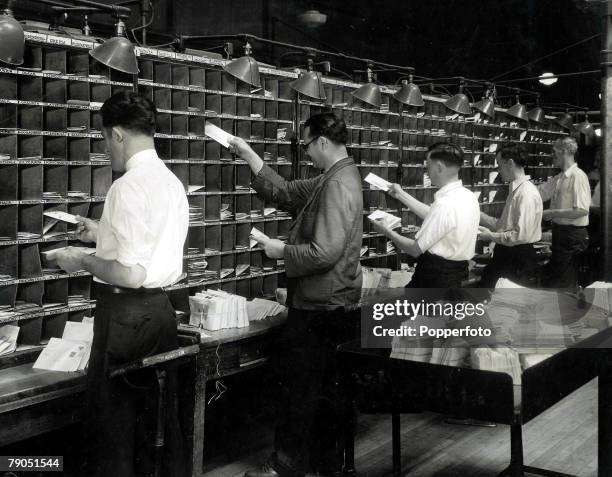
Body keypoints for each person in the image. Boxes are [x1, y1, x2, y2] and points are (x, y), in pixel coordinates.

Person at [54, 91, 189, 477]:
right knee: (156, 426)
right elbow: (148, 245)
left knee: (113, 429)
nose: (105, 148)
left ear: (116, 135)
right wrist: (102, 234)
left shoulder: (126, 186)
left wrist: (79, 259)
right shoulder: (170, 182)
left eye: (102, 139)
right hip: (160, 313)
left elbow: (130, 272)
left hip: (126, 318)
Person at [228, 112, 363, 477]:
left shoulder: (336, 185)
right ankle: (322, 466)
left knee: (299, 393)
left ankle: (284, 467)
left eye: (306, 145)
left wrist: (279, 250)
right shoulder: (337, 175)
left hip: (320, 307)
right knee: (318, 394)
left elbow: (325, 252)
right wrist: (248, 154)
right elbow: (286, 192)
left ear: (322, 142)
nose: (305, 153)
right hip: (330, 304)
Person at [372, 142, 480, 288]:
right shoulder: (468, 196)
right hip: (459, 274)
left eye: (428, 166)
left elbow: (415, 249)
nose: (427, 171)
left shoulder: (445, 204)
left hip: (435, 279)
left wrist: (387, 231)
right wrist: (401, 195)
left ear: (439, 167)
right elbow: (436, 218)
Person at [477, 143, 543, 288]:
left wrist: (491, 236)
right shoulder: (516, 189)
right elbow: (504, 225)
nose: (499, 171)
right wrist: (478, 214)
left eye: (500, 165)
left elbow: (521, 236)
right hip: (510, 255)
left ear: (510, 163)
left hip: (517, 259)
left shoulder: (525, 193)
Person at [537, 137, 590, 288]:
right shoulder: (560, 178)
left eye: (554, 152)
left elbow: (581, 210)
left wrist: (552, 212)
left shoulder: (578, 176)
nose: (551, 156)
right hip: (561, 234)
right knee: (559, 280)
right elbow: (540, 193)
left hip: (572, 236)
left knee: (566, 283)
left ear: (565, 151)